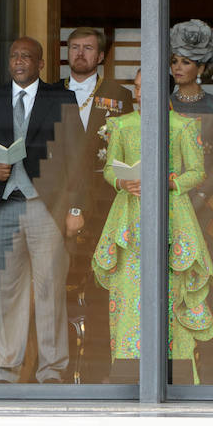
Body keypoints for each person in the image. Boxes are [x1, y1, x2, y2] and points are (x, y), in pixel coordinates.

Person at [0, 37, 85, 383]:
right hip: (3, 207)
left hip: (46, 207)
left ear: (40, 63)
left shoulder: (60, 98)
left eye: (27, 57)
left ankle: (52, 370)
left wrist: (74, 208)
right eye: (14, 56)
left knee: (49, 290)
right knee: (7, 292)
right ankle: (6, 369)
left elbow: (77, 158)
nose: (19, 61)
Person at [93, 69, 213, 383]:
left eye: (144, 86)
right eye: (135, 87)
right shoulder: (121, 125)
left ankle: (175, 373)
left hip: (172, 215)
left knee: (172, 293)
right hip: (130, 214)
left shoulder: (183, 125)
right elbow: (109, 168)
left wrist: (170, 181)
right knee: (127, 292)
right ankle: (127, 372)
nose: (138, 93)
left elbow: (198, 172)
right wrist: (122, 181)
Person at [165, 20, 213, 384]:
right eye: (175, 60)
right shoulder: (162, 105)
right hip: (167, 211)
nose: (178, 68)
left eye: (186, 62)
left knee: (206, 294)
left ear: (203, 67)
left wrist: (200, 198)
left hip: (204, 213)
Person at [61, 26, 132, 383]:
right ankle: (57, 368)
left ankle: (99, 369)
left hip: (107, 202)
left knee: (103, 285)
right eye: (74, 47)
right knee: (58, 283)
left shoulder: (118, 95)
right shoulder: (50, 93)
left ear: (101, 56)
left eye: (88, 48)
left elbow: (129, 150)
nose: (80, 54)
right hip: (59, 201)